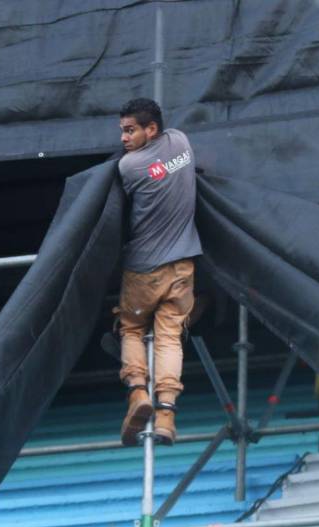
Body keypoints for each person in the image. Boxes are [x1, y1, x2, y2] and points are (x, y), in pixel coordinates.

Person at [116, 98, 202, 446]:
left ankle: (138, 393)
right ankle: (166, 413)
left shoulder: (129, 167)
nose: (123, 138)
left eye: (130, 130)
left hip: (144, 268)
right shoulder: (181, 142)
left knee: (132, 328)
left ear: (151, 129)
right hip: (183, 266)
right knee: (169, 337)